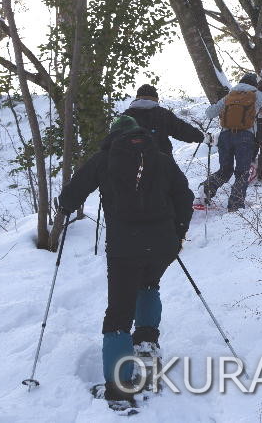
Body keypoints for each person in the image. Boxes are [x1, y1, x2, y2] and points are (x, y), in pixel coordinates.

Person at [56, 116, 193, 405]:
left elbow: (72, 193)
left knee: (118, 313)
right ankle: (145, 340)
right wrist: (178, 231)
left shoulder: (104, 159)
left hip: (124, 248)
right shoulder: (162, 158)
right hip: (163, 245)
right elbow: (184, 195)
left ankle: (119, 390)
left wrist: (65, 206)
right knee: (149, 283)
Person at [199, 73, 262, 211]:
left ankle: (207, 188)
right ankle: (235, 205)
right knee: (242, 172)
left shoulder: (230, 95)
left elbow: (209, 113)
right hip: (245, 137)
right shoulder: (255, 94)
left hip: (225, 135)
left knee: (225, 170)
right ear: (254, 84)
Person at [124, 84, 204, 157]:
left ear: (137, 98)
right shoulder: (162, 114)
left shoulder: (125, 117)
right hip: (161, 162)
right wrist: (201, 137)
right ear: (155, 99)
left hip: (130, 165)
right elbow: (181, 129)